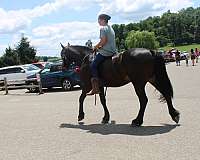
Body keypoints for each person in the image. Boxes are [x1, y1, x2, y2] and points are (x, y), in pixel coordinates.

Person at [87, 14, 116, 95]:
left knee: (93, 65)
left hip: (106, 52)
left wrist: (95, 47)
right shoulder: (111, 28)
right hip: (113, 52)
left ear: (102, 20)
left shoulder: (103, 29)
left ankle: (95, 88)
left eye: (99, 20)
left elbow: (103, 41)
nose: (98, 21)